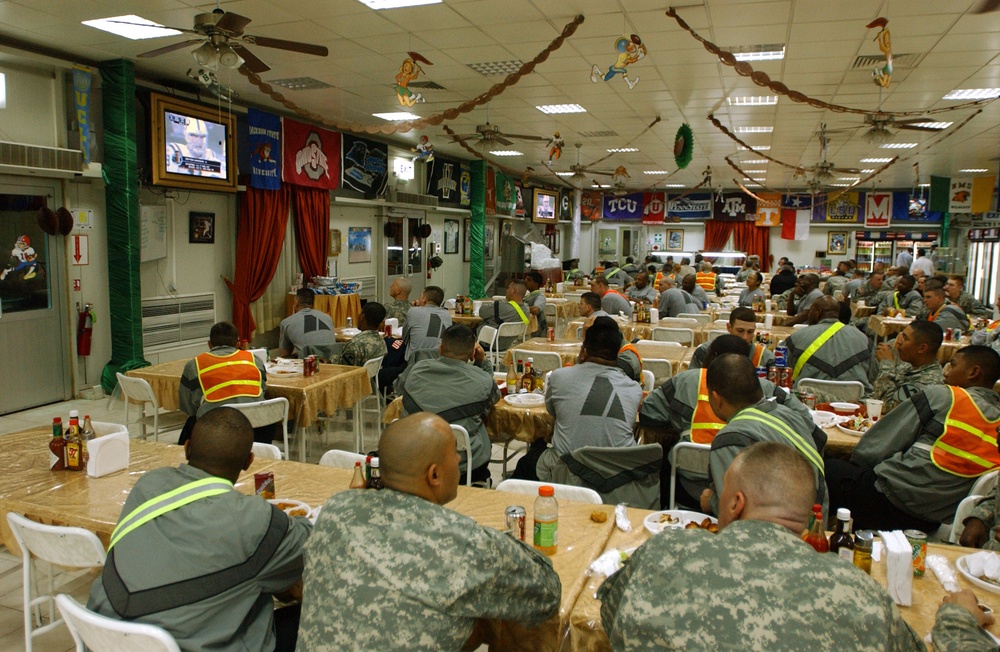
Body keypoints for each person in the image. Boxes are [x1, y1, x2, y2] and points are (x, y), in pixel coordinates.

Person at [598, 441, 995, 652]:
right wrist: (957, 621)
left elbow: (609, 612)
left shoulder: (667, 552)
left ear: (735, 505)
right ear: (809, 522)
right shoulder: (862, 598)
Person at [297, 413, 562, 651]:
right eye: (455, 453)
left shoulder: (335, 509)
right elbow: (547, 592)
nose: (459, 459)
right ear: (434, 475)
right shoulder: (461, 541)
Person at [88, 409, 311, 652]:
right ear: (248, 462)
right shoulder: (253, 520)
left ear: (186, 447)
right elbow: (310, 544)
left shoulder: (148, 485)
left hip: (103, 638)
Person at [826, 345, 1000, 532]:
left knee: (822, 468)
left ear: (974, 373)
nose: (945, 372)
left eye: (952, 364)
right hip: (940, 518)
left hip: (892, 499)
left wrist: (855, 468)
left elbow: (879, 445)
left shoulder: (944, 397)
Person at [641, 336, 810, 508]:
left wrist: (679, 424)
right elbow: (805, 416)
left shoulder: (683, 380)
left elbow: (649, 415)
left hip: (690, 479)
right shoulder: (764, 387)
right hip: (759, 491)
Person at [698, 354, 828, 518]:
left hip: (775, 533)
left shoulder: (732, 438)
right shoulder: (791, 415)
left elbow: (735, 511)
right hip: (814, 525)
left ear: (716, 398)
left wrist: (711, 501)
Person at [513, 317, 642, 481]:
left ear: (585, 352)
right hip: (616, 475)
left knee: (527, 461)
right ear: (617, 355)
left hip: (568, 470)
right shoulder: (634, 388)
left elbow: (552, 411)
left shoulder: (560, 377)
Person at [396, 325, 499, 485]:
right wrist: (482, 362)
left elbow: (398, 388)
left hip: (416, 458)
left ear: (440, 348)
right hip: (464, 466)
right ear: (472, 353)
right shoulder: (482, 382)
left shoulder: (416, 371)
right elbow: (493, 397)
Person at [178, 321, 268, 445]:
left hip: (213, 429)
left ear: (209, 344)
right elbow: (263, 390)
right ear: (238, 344)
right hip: (255, 428)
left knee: (191, 423)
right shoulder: (254, 360)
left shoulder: (194, 365)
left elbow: (187, 406)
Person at [784, 296, 873, 394]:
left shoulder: (797, 337)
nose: (809, 314)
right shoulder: (864, 340)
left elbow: (783, 370)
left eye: (811, 311)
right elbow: (873, 375)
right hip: (853, 401)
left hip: (807, 400)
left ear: (818, 312)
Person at [871, 320, 945, 415]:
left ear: (922, 348)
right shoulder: (910, 366)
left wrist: (886, 364)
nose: (899, 342)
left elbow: (887, 408)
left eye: (905, 338)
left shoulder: (928, 381)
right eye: (901, 335)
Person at [688, 307, 775, 370]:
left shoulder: (765, 357)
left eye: (750, 332)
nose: (745, 337)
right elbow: (693, 382)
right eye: (740, 331)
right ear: (729, 327)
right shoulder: (705, 351)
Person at [278, 289, 335, 358]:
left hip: (309, 365)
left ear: (296, 302)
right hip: (332, 361)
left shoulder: (287, 322)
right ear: (313, 303)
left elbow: (285, 354)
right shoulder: (327, 317)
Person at [403, 285, 453, 362]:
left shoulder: (413, 311)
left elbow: (405, 340)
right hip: (439, 362)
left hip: (416, 364)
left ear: (424, 300)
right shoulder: (447, 315)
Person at [478, 279, 531, 350]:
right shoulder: (526, 309)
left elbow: (482, 311)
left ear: (514, 291)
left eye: (508, 288)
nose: (506, 290)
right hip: (507, 344)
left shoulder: (501, 306)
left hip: (488, 343)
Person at [334, 301, 388, 367]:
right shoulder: (381, 341)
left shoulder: (355, 345)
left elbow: (344, 368)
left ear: (362, 317)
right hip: (369, 376)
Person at [523, 271, 547, 337]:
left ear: (536, 284)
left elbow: (536, 310)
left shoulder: (540, 296)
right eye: (525, 279)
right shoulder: (527, 295)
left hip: (535, 330)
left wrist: (519, 308)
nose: (525, 281)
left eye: (529, 280)